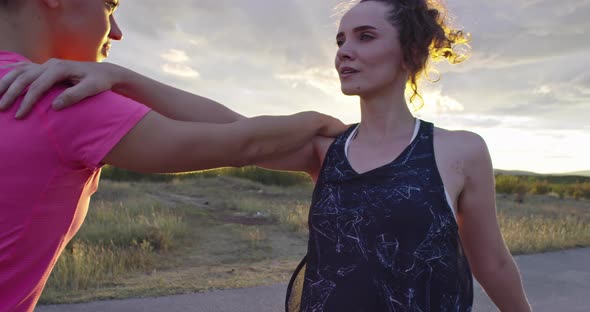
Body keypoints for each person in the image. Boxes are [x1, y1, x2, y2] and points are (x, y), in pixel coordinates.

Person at [3, 0, 533, 311]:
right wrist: (122, 77)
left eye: (365, 37)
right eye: (340, 38)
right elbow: (236, 130)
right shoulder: (327, 150)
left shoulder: (461, 151)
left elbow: (492, 262)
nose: (344, 50)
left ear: (411, 54)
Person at [0, 1, 346, 311]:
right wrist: (320, 120)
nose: (117, 33)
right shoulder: (56, 101)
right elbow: (243, 142)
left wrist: (120, 77)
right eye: (110, 5)